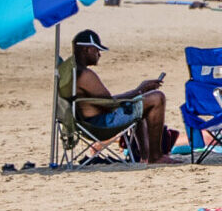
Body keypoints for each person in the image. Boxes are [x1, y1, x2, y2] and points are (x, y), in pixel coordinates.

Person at [68, 29, 175, 163]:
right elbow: (109, 103)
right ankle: (155, 156)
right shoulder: (84, 74)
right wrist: (139, 90)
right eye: (97, 50)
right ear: (87, 49)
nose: (99, 55)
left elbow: (104, 101)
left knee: (141, 103)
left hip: (85, 123)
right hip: (100, 125)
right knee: (157, 97)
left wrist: (138, 93)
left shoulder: (71, 71)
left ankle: (145, 157)